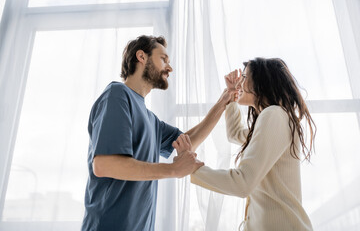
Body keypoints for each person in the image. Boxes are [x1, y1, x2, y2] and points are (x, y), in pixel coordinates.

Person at [81, 35, 236, 231]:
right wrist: (173, 170)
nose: (169, 68)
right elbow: (104, 165)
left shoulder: (151, 119)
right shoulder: (117, 95)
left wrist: (223, 103)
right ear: (141, 57)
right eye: (164, 59)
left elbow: (186, 143)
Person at [189, 57, 316, 231]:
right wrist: (231, 95)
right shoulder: (274, 117)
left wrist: (192, 168)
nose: (239, 82)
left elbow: (242, 184)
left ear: (262, 82)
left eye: (245, 76)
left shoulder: (274, 115)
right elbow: (235, 134)